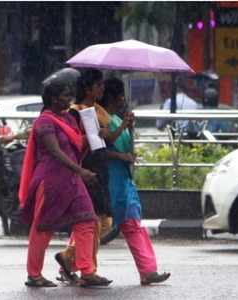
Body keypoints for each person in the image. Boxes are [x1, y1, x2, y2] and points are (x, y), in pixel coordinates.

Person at [18, 77, 111, 287]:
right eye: (65, 96)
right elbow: (54, 151)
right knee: (43, 227)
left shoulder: (69, 119)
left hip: (72, 179)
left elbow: (76, 145)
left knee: (88, 220)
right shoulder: (44, 122)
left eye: (70, 96)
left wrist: (96, 137)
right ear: (52, 98)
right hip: (52, 181)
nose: (69, 100)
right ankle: (34, 274)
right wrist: (81, 171)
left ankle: (87, 271)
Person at [55, 68, 129, 283]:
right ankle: (86, 269)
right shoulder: (75, 111)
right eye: (98, 85)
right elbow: (75, 143)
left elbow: (105, 140)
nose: (101, 89)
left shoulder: (99, 111)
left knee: (98, 222)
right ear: (87, 88)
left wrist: (123, 125)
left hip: (99, 166)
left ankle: (68, 259)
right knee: (94, 221)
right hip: (86, 169)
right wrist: (92, 137)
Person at [100, 77, 171, 285]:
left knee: (132, 224)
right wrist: (124, 127)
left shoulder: (116, 119)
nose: (123, 99)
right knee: (96, 226)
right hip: (110, 181)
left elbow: (128, 150)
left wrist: (130, 129)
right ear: (114, 96)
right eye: (120, 95)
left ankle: (148, 270)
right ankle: (71, 262)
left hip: (124, 181)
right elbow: (102, 149)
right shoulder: (103, 119)